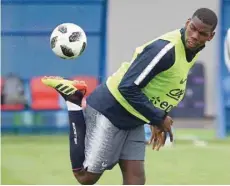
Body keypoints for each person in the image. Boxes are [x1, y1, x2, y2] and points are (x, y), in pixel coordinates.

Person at [42, 8, 218, 185]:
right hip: (111, 109)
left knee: (136, 179)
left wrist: (154, 118)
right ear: (187, 23)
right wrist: (159, 116)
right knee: (86, 177)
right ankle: (73, 100)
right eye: (193, 28)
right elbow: (127, 86)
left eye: (202, 33)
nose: (195, 35)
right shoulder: (166, 50)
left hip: (134, 119)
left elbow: (160, 85)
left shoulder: (192, 49)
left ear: (210, 36)